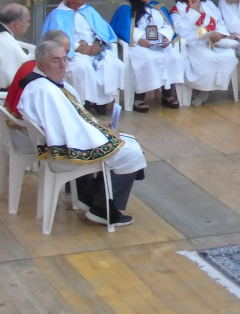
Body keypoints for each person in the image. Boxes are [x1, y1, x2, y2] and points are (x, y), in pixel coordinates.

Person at [18, 37, 146, 227]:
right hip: (62, 157)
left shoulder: (44, 83)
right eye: (56, 60)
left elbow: (73, 122)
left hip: (57, 146)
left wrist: (99, 126)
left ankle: (89, 197)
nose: (62, 65)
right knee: (131, 152)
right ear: (40, 63)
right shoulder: (45, 91)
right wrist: (106, 135)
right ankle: (103, 210)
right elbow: (69, 132)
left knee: (130, 142)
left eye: (65, 59)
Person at [41, 0, 124, 116]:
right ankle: (84, 103)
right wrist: (78, 47)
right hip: (72, 54)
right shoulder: (56, 15)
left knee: (113, 65)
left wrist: (98, 43)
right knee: (82, 67)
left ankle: (102, 102)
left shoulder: (89, 10)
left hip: (97, 50)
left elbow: (103, 31)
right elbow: (54, 39)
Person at [110, 0, 183, 112]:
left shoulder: (157, 7)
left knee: (174, 56)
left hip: (159, 44)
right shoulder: (127, 8)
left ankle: (168, 93)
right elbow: (124, 28)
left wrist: (165, 38)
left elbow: (167, 26)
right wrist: (140, 40)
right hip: (139, 45)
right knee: (147, 59)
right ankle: (139, 97)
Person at [170, 0, 239, 106]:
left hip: (214, 41)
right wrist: (194, 12)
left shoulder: (209, 5)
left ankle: (209, 90)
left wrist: (220, 33)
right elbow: (180, 31)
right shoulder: (178, 8)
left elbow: (220, 23)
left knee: (228, 56)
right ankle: (202, 90)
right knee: (206, 59)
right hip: (194, 44)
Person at [0, 3, 31, 89]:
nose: (28, 25)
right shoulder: (8, 43)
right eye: (27, 21)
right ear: (17, 24)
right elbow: (21, 76)